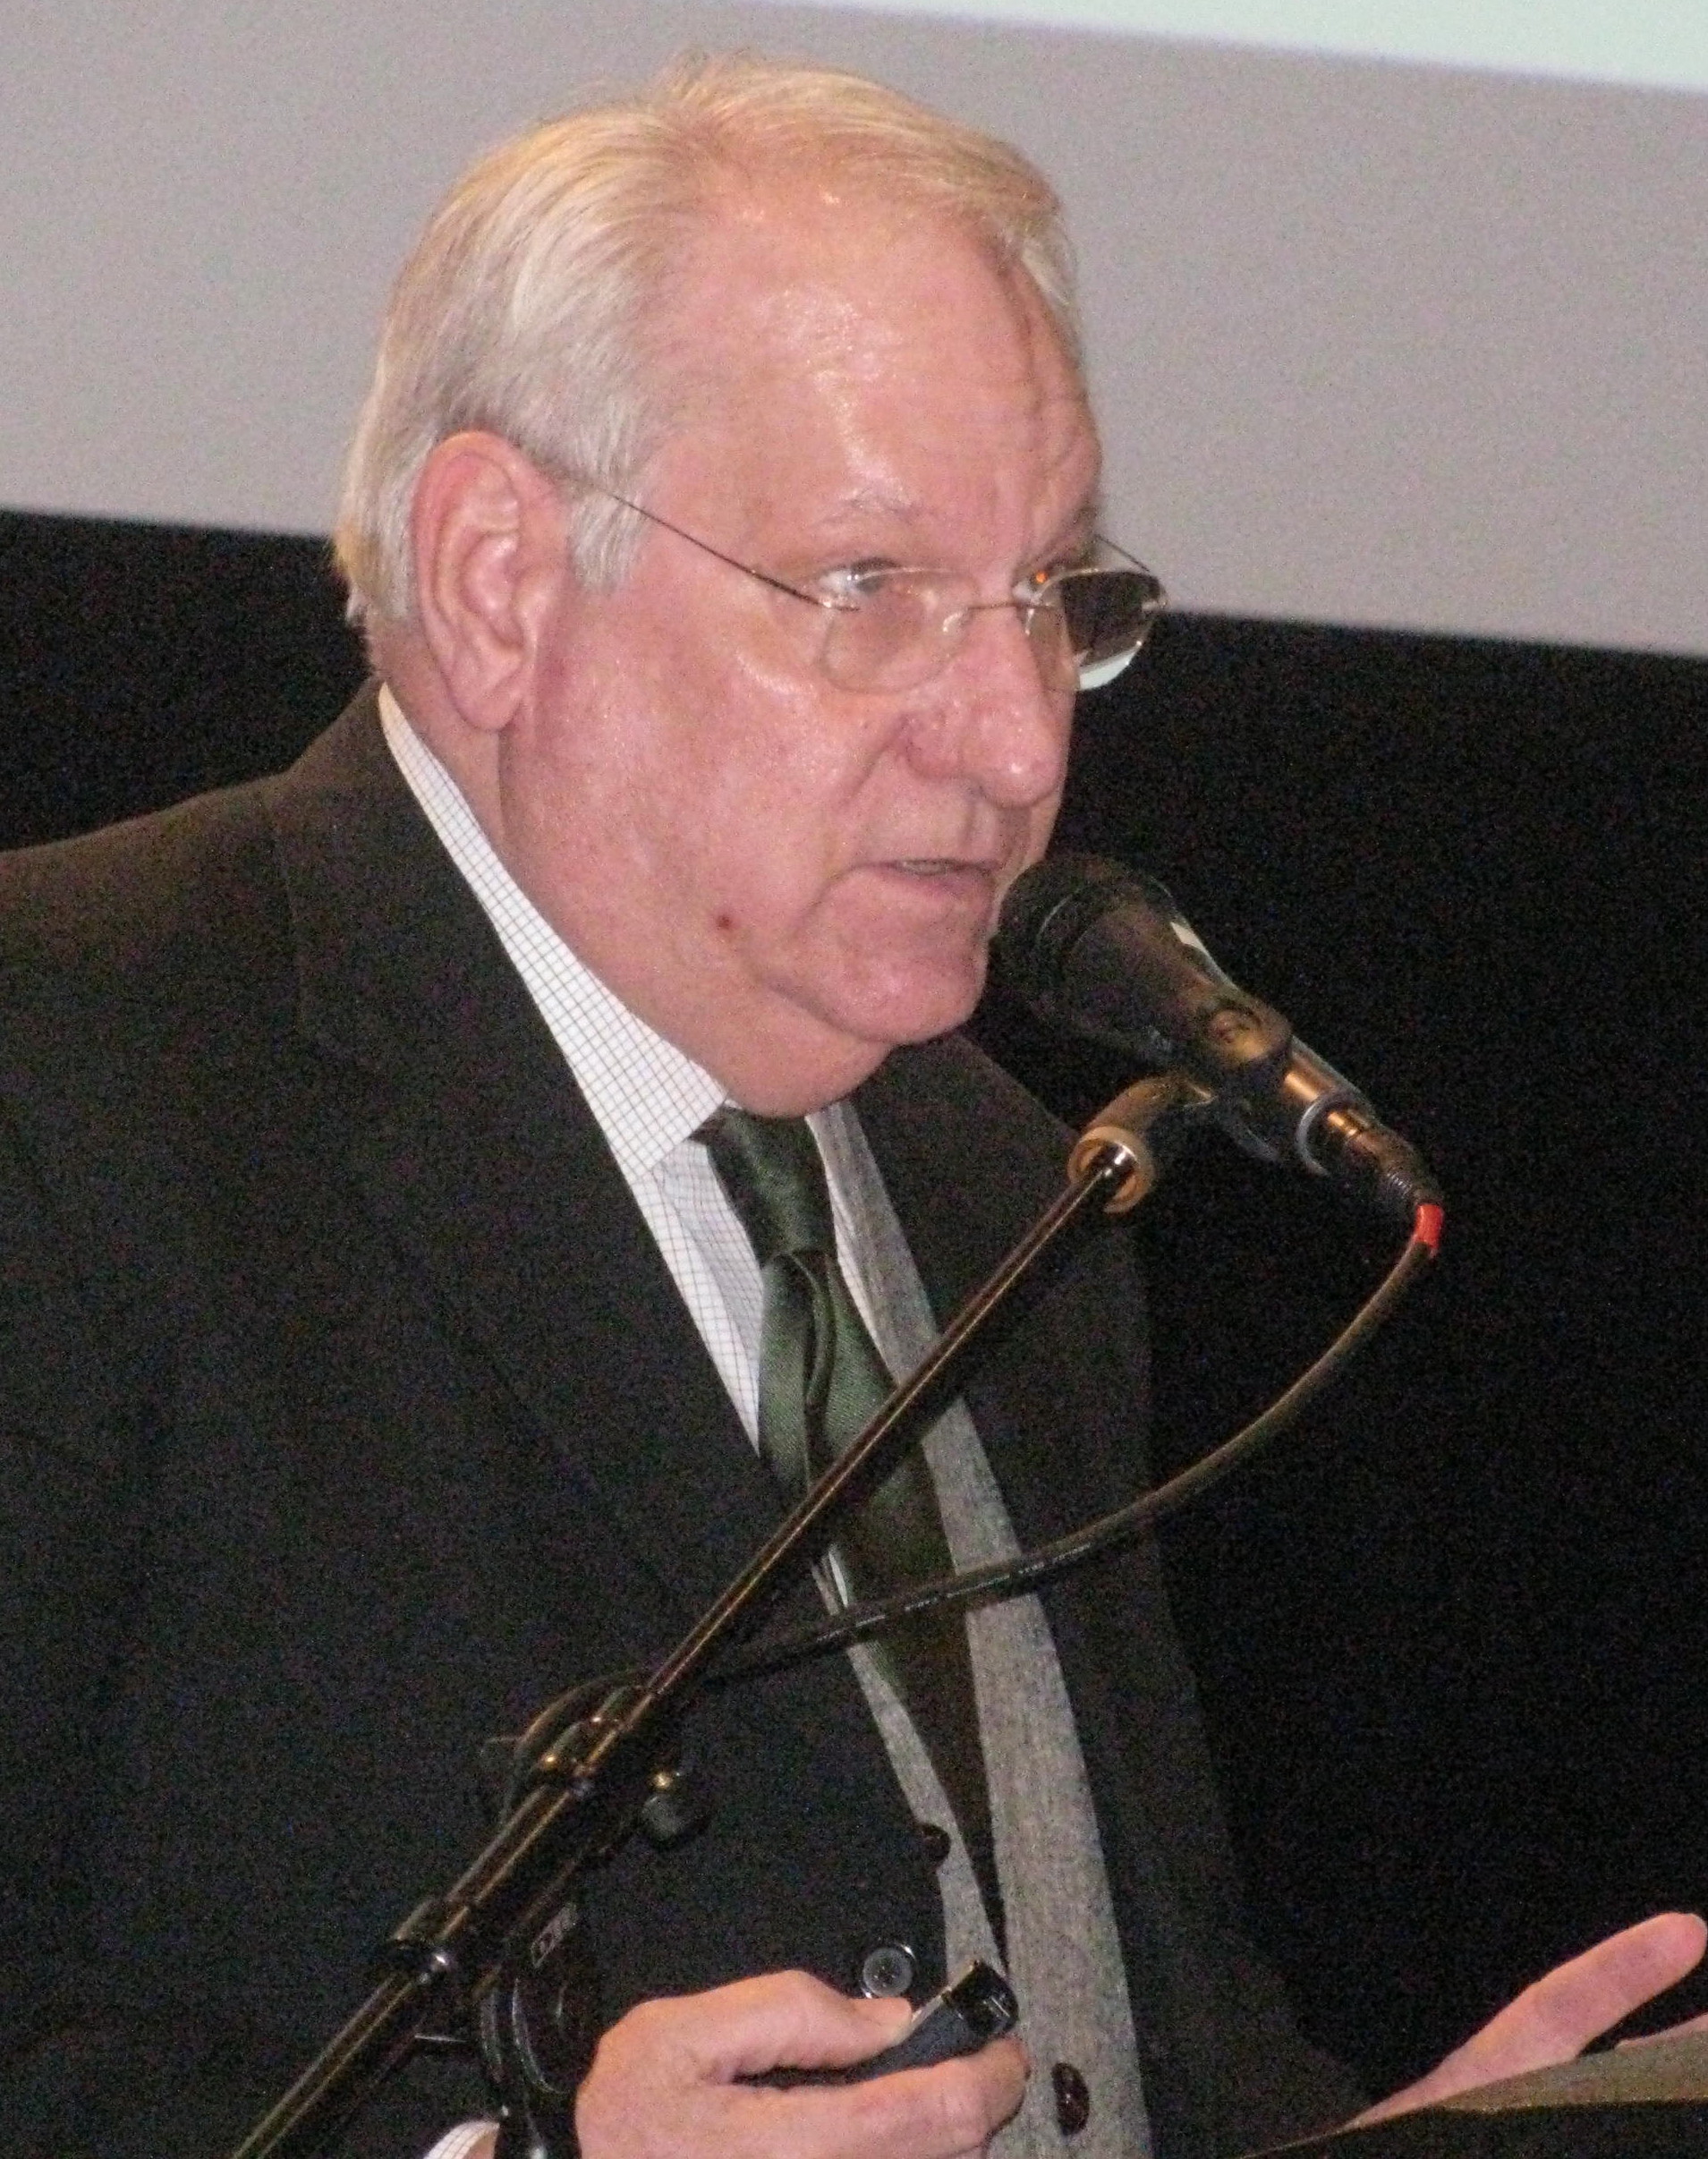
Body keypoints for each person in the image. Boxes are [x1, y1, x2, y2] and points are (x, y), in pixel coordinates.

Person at [0, 52, 1700, 2159]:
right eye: (870, 590)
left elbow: (1108, 2027)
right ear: (502, 576)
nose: (1015, 744)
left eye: (1052, 601)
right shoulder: (69, 1064)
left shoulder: (1004, 1184)